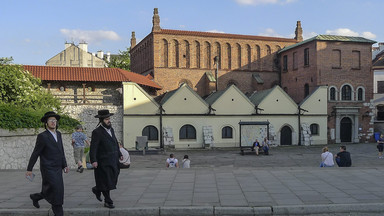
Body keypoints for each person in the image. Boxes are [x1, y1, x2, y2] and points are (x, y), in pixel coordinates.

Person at [26, 111, 69, 216]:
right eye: (51, 120)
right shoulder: (42, 136)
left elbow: (61, 150)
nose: (53, 122)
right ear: (46, 123)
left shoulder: (58, 134)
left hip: (58, 167)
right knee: (56, 189)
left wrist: (65, 164)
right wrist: (29, 169)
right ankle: (58, 212)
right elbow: (36, 153)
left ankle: (36, 197)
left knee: (52, 188)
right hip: (48, 168)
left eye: (55, 120)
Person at [90, 110, 122, 209]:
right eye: (106, 119)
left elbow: (115, 142)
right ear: (101, 120)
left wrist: (119, 153)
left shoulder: (111, 129)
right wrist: (93, 160)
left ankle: (97, 189)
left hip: (113, 159)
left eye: (109, 119)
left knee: (114, 177)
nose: (109, 121)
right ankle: (108, 201)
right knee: (106, 180)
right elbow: (93, 147)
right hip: (103, 160)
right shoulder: (97, 132)